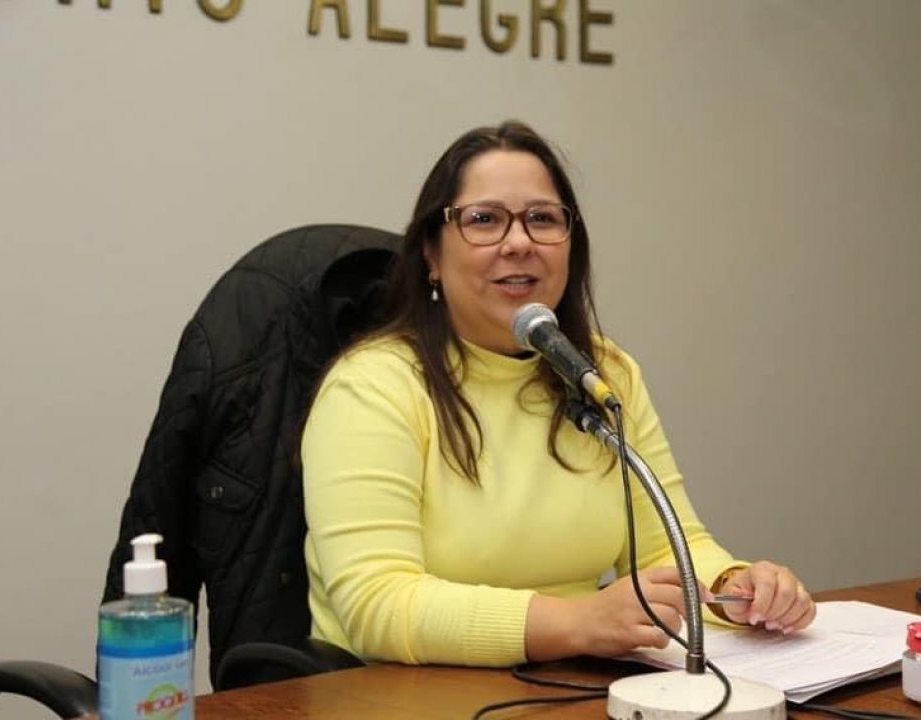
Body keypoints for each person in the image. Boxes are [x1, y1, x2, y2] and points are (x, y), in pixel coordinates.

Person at [300, 120, 815, 667]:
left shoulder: (602, 373)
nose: (518, 242)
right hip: (401, 693)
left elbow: (667, 545)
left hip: (572, 682)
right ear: (430, 253)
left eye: (542, 219)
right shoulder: (371, 388)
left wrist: (737, 589)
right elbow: (378, 604)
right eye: (484, 220)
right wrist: (574, 622)